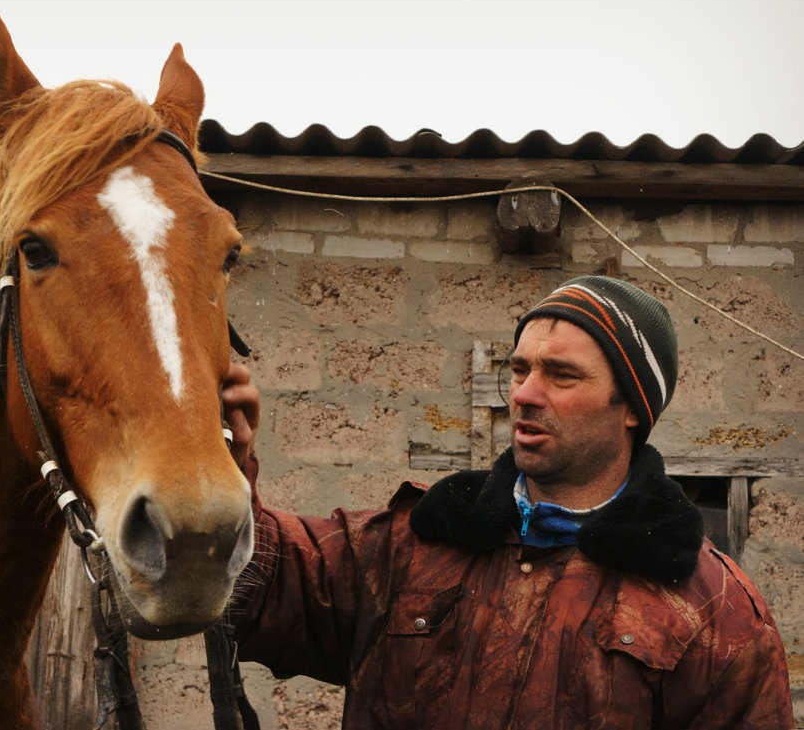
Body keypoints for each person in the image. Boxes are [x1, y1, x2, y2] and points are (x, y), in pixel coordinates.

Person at [220, 276, 793, 730]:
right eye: (519, 369)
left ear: (632, 408)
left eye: (560, 375)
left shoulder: (716, 614)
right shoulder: (410, 544)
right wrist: (221, 462)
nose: (523, 393)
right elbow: (259, 581)